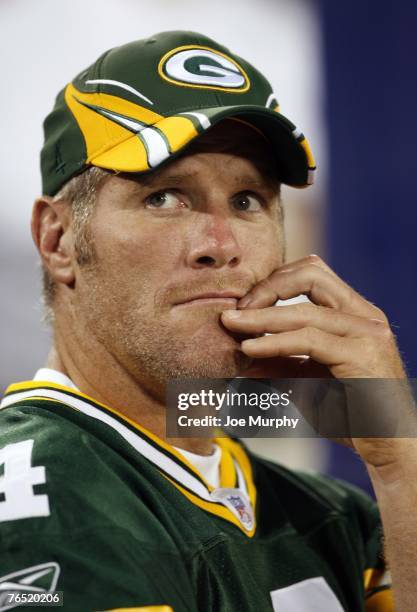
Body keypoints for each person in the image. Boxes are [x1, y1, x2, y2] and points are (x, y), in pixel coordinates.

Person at [0, 30, 415, 611]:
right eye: (164, 197)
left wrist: (399, 460)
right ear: (58, 239)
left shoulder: (340, 516)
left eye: (248, 201)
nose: (220, 246)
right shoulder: (41, 492)